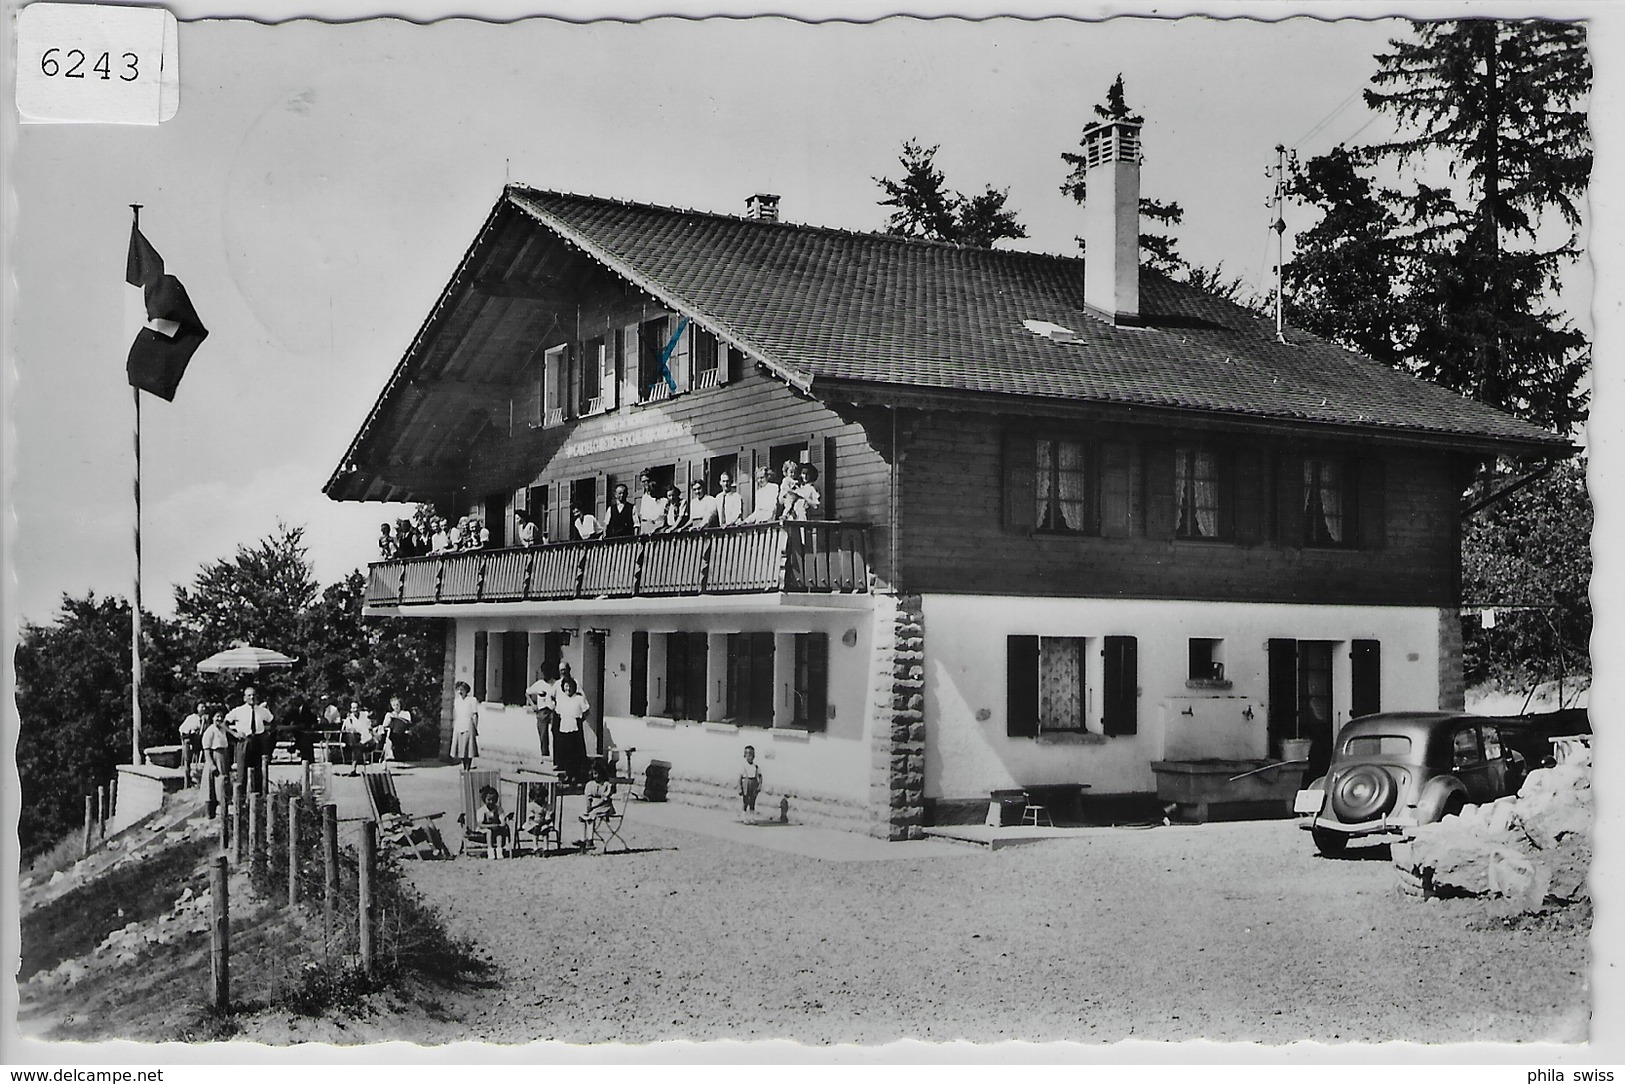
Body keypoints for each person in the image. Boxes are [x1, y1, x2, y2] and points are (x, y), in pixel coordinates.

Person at [226, 686, 274, 796]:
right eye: (249, 695)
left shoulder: (262, 711)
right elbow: (225, 723)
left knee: (258, 772)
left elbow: (272, 721)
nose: (252, 697)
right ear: (244, 698)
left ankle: (259, 799)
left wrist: (267, 733)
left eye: (254, 695)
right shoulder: (238, 711)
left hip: (258, 741)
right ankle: (240, 800)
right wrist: (234, 734)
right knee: (241, 773)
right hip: (244, 741)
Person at [552, 674, 591, 786]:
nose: (567, 689)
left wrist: (580, 720)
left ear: (574, 687)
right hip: (564, 727)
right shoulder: (562, 699)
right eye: (565, 686)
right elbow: (558, 712)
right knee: (566, 754)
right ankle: (568, 775)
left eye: (569, 686)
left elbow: (586, 711)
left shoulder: (579, 698)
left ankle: (577, 776)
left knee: (575, 753)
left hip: (575, 728)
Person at [202, 706, 233, 819]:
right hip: (215, 757)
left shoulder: (223, 729)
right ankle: (210, 814)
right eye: (217, 716)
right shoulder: (210, 731)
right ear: (212, 718)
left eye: (221, 716)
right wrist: (211, 764)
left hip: (223, 757)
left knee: (223, 784)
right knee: (212, 787)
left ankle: (223, 812)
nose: (219, 719)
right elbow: (206, 749)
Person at [579, 760, 617, 848]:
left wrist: (593, 807)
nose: (597, 776)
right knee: (582, 814)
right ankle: (582, 839)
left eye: (599, 773)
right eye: (595, 774)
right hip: (593, 807)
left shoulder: (606, 785)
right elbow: (588, 797)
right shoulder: (590, 784)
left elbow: (605, 799)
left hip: (605, 806)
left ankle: (590, 839)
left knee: (592, 815)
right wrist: (588, 806)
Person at [526, 669, 556, 760]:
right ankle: (545, 756)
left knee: (556, 733)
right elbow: (527, 693)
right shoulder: (539, 684)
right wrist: (532, 704)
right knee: (543, 734)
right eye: (545, 671)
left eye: (548, 671)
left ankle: (556, 757)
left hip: (553, 711)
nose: (546, 674)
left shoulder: (556, 684)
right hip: (542, 711)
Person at [474, 784, 510, 858]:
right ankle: (490, 850)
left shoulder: (498, 809)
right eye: (489, 800)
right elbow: (480, 824)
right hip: (483, 829)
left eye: (493, 800)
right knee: (489, 831)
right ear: (484, 799)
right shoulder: (481, 810)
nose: (491, 802)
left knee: (499, 831)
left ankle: (499, 850)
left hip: (495, 828)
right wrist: (491, 826)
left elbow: (502, 821)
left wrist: (501, 824)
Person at [451, 681, 480, 770]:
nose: (460, 692)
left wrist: (475, 727)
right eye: (459, 690)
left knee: (469, 748)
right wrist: (454, 724)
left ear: (466, 691)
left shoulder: (472, 700)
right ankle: (464, 766)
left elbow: (475, 714)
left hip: (468, 725)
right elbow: (455, 714)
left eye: (462, 690)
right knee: (460, 748)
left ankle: (468, 767)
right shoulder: (457, 701)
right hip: (459, 724)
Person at [342, 700, 375, 775]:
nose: (355, 710)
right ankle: (353, 768)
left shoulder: (365, 715)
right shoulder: (349, 719)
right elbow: (348, 730)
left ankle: (353, 767)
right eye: (353, 708)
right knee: (357, 747)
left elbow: (370, 725)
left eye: (356, 708)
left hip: (369, 740)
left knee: (357, 747)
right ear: (350, 709)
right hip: (358, 741)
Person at [179, 699, 207, 783]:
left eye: (204, 707)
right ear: (197, 708)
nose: (203, 709)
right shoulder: (191, 718)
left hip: (198, 741)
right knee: (188, 760)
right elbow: (183, 729)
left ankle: (198, 777)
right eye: (201, 707)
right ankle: (187, 780)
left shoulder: (204, 719)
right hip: (189, 740)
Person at [382, 695, 412, 762]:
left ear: (400, 705)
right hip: (393, 734)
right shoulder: (389, 714)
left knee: (389, 736)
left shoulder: (405, 713)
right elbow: (384, 726)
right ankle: (389, 755)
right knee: (389, 734)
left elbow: (408, 724)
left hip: (403, 734)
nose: (396, 707)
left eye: (397, 705)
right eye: (394, 705)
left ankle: (389, 754)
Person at [739, 744, 763, 815]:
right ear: (745, 755)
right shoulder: (743, 766)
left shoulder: (755, 766)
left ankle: (752, 818)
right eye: (748, 755)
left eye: (752, 755)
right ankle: (744, 817)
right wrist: (740, 788)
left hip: (754, 783)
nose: (750, 757)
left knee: (752, 802)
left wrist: (759, 785)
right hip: (746, 783)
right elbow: (740, 778)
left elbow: (760, 776)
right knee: (745, 801)